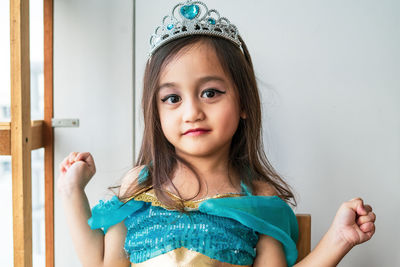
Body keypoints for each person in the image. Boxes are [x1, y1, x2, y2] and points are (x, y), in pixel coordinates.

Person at [57, 1, 376, 266]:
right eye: (172, 98)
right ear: (156, 113)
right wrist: (73, 192)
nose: (192, 112)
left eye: (210, 93)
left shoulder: (258, 198)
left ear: (244, 103)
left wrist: (338, 239)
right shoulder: (140, 184)